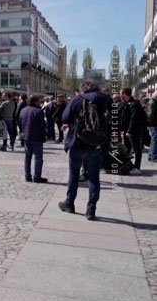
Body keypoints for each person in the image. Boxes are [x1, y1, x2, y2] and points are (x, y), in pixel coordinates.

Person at [59, 79, 111, 220]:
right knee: (94, 178)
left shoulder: (78, 100)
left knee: (74, 174)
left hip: (79, 142)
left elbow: (65, 117)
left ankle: (69, 203)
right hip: (97, 144)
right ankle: (91, 210)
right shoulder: (106, 100)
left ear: (83, 89)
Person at [20, 95, 47, 183]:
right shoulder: (38, 111)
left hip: (26, 136)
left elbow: (20, 123)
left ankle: (27, 175)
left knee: (27, 157)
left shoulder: (23, 110)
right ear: (35, 101)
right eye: (39, 101)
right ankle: (37, 176)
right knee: (38, 157)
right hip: (37, 137)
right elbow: (43, 125)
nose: (40, 102)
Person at [121, 87, 147, 174]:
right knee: (128, 148)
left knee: (136, 149)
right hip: (128, 130)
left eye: (121, 93)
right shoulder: (127, 103)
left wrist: (129, 131)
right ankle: (130, 164)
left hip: (134, 131)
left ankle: (137, 167)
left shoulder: (134, 104)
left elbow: (134, 119)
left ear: (125, 94)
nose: (120, 95)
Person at [147, 90, 157, 162]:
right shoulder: (152, 103)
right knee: (154, 140)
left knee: (153, 140)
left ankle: (151, 155)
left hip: (151, 124)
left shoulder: (151, 102)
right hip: (153, 124)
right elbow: (151, 115)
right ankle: (153, 156)